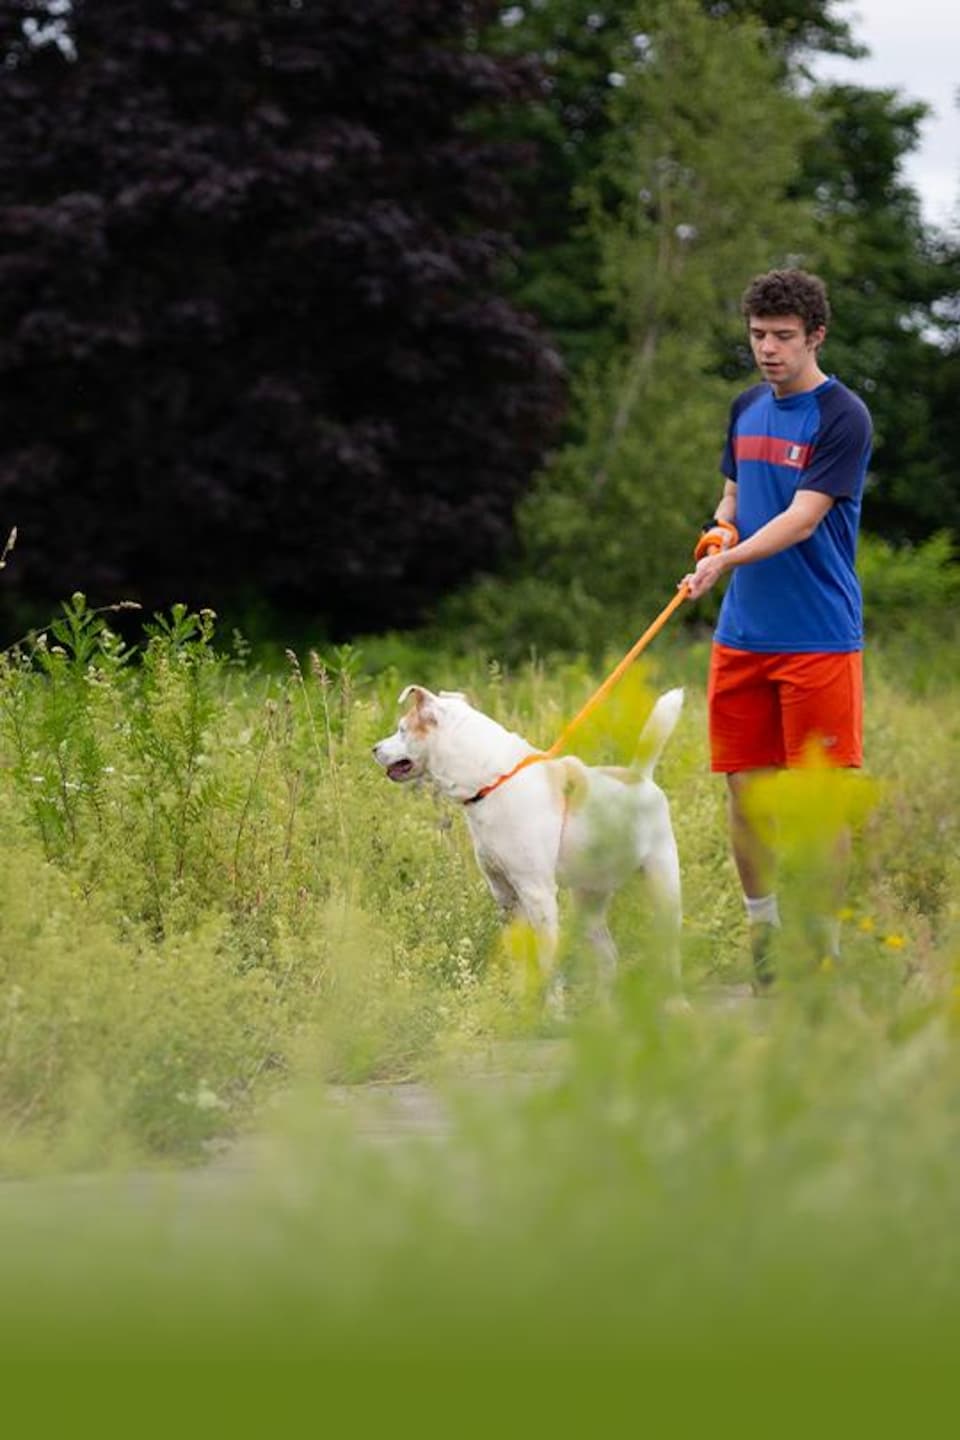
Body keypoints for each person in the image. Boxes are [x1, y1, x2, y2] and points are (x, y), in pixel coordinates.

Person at [681, 268, 872, 986]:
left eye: (784, 338)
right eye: (758, 335)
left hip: (818, 639)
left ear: (815, 336)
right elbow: (734, 499)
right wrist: (714, 535)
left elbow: (801, 518)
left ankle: (818, 950)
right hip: (742, 639)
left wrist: (726, 559)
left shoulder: (843, 415)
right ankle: (765, 937)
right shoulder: (744, 407)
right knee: (747, 796)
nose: (768, 350)